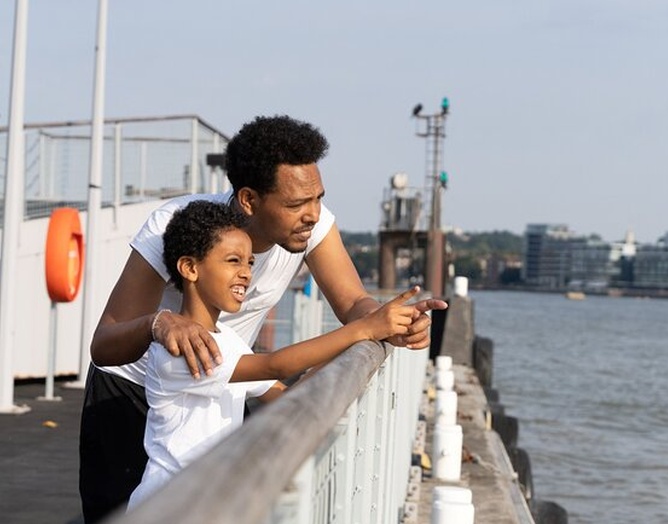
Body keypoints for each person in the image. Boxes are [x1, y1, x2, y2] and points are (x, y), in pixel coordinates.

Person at [79, 114, 448, 522]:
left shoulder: (313, 226)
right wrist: (159, 322)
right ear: (249, 200)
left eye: (318, 198)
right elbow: (104, 342)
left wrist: (391, 322)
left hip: (223, 385)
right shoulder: (174, 227)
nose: (312, 214)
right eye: (296, 204)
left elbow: (353, 302)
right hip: (132, 390)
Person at [126, 201, 421, 509]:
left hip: (206, 497)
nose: (245, 274)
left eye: (250, 263)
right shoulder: (181, 347)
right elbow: (273, 366)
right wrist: (364, 329)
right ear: (190, 268)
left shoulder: (226, 339)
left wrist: (362, 347)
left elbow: (283, 393)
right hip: (167, 504)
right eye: (233, 261)